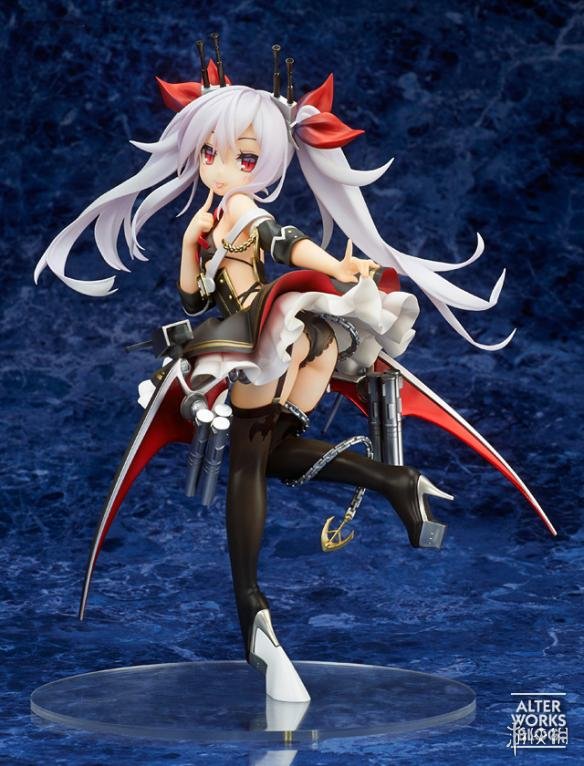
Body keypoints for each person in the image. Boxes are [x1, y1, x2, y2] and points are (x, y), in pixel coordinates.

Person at [35, 40, 513, 703]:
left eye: (243, 158)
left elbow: (283, 241)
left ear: (265, 165)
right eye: (210, 152)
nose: (220, 167)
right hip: (283, 338)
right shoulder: (209, 219)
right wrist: (188, 244)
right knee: (270, 455)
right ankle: (395, 481)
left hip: (263, 333)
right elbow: (193, 301)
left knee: (244, 468)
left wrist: (338, 266)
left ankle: (253, 614)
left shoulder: (244, 211)